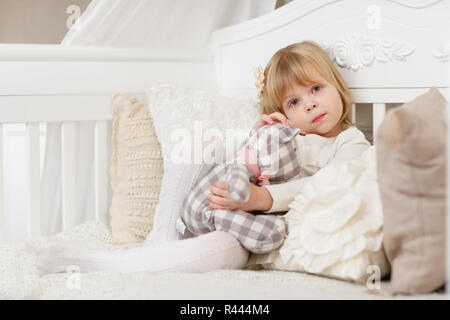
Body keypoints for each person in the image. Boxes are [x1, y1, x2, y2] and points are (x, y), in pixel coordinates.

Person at [36, 40, 370, 276]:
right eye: (293, 102)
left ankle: (93, 263)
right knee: (201, 141)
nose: (309, 104)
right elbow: (236, 162)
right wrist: (255, 138)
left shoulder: (350, 143)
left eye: (315, 89)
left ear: (338, 87)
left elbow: (326, 185)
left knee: (221, 250)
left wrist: (261, 198)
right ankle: (163, 232)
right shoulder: (286, 136)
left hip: (254, 233)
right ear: (280, 112)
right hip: (212, 205)